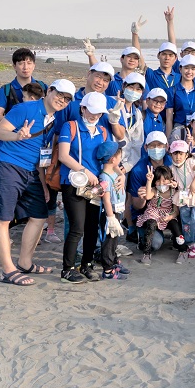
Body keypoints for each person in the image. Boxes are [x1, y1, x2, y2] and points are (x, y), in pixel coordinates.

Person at [0, 79, 74, 285]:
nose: (62, 100)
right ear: (49, 91)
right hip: (7, 164)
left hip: (32, 171)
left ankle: (25, 263)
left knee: (39, 215)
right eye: (59, 94)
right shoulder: (25, 108)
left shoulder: (55, 119)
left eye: (67, 98)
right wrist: (17, 135)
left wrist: (43, 185)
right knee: (2, 218)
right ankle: (8, 270)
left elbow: (43, 155)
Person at [57, 92, 112, 283]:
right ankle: (67, 269)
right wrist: (85, 171)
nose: (95, 116)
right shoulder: (70, 127)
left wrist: (112, 177)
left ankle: (86, 264)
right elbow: (63, 156)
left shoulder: (103, 131)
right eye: (92, 111)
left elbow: (107, 160)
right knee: (77, 227)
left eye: (98, 113)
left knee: (91, 227)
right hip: (73, 183)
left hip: (94, 186)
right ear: (83, 108)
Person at [135, 165, 187, 265]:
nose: (161, 184)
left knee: (175, 225)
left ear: (171, 180)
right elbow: (147, 196)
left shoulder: (174, 192)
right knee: (151, 224)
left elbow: (176, 211)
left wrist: (170, 217)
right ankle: (146, 253)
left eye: (164, 181)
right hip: (153, 213)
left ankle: (183, 250)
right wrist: (149, 181)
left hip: (167, 214)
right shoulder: (155, 190)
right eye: (158, 181)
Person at [168, 139, 195, 259]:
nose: (178, 157)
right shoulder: (171, 168)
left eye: (181, 153)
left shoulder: (190, 162)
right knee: (185, 220)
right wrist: (174, 184)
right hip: (182, 196)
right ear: (171, 154)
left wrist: (193, 184)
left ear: (186, 154)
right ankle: (190, 242)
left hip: (194, 194)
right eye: (175, 153)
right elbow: (174, 182)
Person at [97, 141, 130, 280]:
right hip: (110, 213)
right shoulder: (105, 177)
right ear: (113, 159)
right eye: (120, 155)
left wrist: (121, 174)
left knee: (115, 239)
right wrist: (111, 218)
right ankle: (108, 270)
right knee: (109, 241)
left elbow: (116, 168)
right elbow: (106, 199)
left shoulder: (113, 171)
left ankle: (114, 261)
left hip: (118, 211)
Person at [165, 54, 195, 135]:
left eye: (193, 69)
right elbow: (169, 118)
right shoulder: (172, 90)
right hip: (179, 129)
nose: (189, 72)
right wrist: (168, 138)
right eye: (186, 68)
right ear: (180, 69)